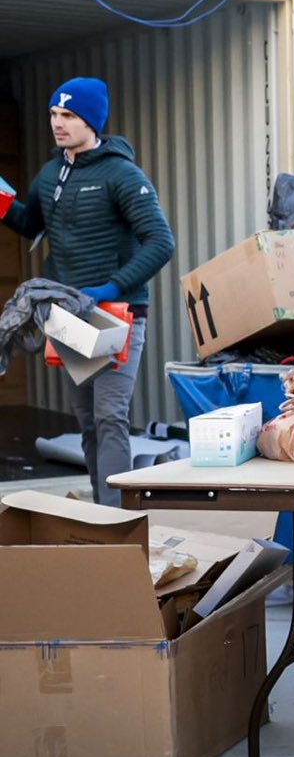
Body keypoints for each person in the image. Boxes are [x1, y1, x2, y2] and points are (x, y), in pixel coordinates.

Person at [1, 77, 174, 504]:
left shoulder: (121, 174)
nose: (58, 124)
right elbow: (30, 224)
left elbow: (161, 242)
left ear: (92, 121)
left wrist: (109, 286)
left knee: (110, 415)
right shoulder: (50, 173)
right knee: (89, 421)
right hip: (70, 313)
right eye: (54, 115)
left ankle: (117, 520)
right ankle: (101, 512)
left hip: (118, 312)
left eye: (69, 116)